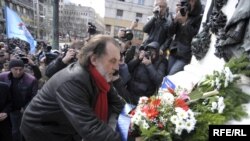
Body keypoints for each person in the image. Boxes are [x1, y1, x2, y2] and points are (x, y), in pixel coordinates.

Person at [20, 35, 126, 141]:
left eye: (118, 62)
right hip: (42, 133)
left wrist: (137, 119)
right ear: (94, 59)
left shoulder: (101, 76)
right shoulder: (73, 81)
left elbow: (118, 103)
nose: (117, 68)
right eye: (112, 61)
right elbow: (91, 128)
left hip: (64, 129)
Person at [0, 59, 38, 141]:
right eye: (15, 69)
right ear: (10, 69)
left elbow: (34, 97)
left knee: (17, 131)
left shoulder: (31, 80)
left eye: (20, 69)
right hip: (5, 109)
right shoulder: (2, 77)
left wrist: (25, 108)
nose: (18, 72)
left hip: (20, 109)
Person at [167, 0, 203, 75]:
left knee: (171, 74)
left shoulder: (200, 16)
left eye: (192, 1)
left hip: (185, 55)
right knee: (167, 73)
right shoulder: (183, 12)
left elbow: (194, 36)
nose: (190, 3)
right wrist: (175, 20)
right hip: (174, 50)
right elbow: (170, 33)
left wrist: (185, 22)